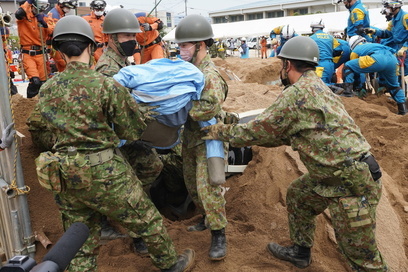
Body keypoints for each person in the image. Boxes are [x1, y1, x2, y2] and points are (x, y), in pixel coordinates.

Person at [201, 35, 388, 271]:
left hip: (350, 182)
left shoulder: (296, 94)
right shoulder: (317, 86)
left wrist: (219, 130)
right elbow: (281, 134)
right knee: (299, 196)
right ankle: (301, 252)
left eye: (282, 65)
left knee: (362, 258)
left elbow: (255, 133)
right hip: (333, 175)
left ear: (287, 65)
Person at [35, 15, 194, 272]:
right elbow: (130, 130)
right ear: (91, 46)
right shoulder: (105, 85)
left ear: (60, 51)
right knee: (147, 219)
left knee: (79, 238)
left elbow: (47, 128)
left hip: (64, 173)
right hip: (104, 171)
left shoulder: (47, 89)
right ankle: (170, 264)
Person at [95, 8, 164, 254]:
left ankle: (121, 214)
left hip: (124, 135)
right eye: (125, 37)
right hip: (113, 139)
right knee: (134, 178)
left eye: (133, 36)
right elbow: (116, 112)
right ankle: (138, 235)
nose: (131, 41)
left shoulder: (121, 62)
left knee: (152, 164)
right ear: (111, 38)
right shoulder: (107, 70)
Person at [175, 14, 229, 261]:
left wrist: (177, 110)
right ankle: (206, 218)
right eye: (180, 45)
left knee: (208, 187)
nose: (181, 50)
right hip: (191, 137)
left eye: (185, 45)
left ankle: (219, 234)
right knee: (191, 183)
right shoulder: (190, 70)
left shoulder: (210, 74)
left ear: (201, 45)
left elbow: (209, 107)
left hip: (210, 139)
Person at [343, 35, 407, 114]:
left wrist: (360, 87)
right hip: (393, 60)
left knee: (348, 65)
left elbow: (356, 71)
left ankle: (347, 92)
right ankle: (403, 110)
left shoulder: (355, 50)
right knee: (394, 86)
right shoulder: (373, 44)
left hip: (377, 59)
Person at [15, 0, 51, 98]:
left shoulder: (45, 18)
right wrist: (28, 2)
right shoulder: (24, 16)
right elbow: (19, 13)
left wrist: (44, 24)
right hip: (28, 54)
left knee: (44, 83)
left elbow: (52, 31)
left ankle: (42, 105)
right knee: (35, 81)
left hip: (41, 54)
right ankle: (30, 104)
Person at [364, 0, 408, 77]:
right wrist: (375, 32)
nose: (386, 9)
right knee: (397, 73)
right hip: (399, 49)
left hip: (405, 48)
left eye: (388, 7)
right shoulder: (393, 21)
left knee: (400, 72)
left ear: (394, 7)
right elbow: (387, 34)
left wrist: (405, 47)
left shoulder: (405, 17)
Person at [47, 0, 78, 72]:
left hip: (60, 43)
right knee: (63, 63)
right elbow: (53, 31)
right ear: (61, 5)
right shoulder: (54, 14)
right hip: (55, 44)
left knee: (64, 64)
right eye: (67, 7)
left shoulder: (60, 14)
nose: (68, 10)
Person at [309, 18, 342, 85]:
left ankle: (338, 87)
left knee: (320, 85)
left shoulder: (311, 38)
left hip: (320, 64)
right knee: (328, 83)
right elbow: (339, 50)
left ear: (313, 28)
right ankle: (338, 87)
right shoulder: (330, 37)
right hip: (330, 64)